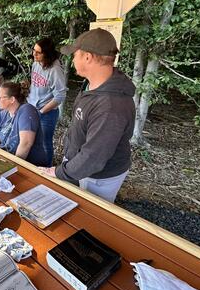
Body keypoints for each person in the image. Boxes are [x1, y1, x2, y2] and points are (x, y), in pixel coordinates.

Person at [40, 28, 135, 203]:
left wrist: (60, 172)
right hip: (81, 165)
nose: (73, 59)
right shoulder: (92, 85)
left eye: (75, 54)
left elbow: (94, 157)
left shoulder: (110, 105)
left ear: (88, 57)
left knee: (92, 216)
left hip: (99, 175)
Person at [27, 38, 67, 167]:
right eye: (34, 50)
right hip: (32, 107)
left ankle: (47, 168)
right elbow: (36, 85)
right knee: (30, 139)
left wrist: (42, 111)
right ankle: (33, 164)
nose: (34, 54)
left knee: (45, 143)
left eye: (38, 52)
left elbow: (60, 95)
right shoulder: (36, 64)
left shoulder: (55, 69)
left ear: (47, 54)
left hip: (47, 112)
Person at [0, 82, 47, 165]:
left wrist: (11, 167)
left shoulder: (27, 110)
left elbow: (26, 144)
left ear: (12, 99)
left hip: (29, 165)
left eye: (0, 98)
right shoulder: (1, 115)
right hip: (5, 160)